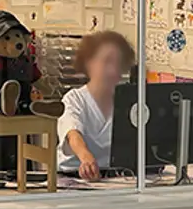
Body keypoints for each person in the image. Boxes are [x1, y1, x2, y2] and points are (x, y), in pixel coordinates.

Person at [56, 30, 135, 181]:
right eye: (106, 61)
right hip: (74, 177)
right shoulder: (75, 99)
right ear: (89, 63)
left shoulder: (127, 102)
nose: (112, 70)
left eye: (118, 63)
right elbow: (72, 134)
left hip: (114, 179)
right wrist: (86, 158)